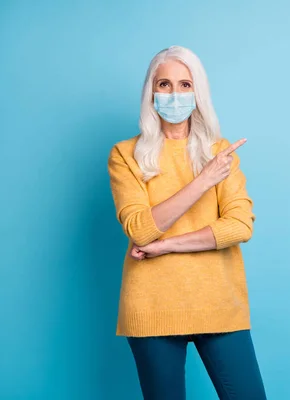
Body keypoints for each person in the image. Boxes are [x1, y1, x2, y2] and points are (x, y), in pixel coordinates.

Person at [107, 45, 267, 399]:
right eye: (164, 84)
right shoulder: (125, 155)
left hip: (219, 303)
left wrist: (166, 245)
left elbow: (240, 225)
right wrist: (202, 182)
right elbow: (139, 229)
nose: (174, 94)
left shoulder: (220, 152)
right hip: (152, 305)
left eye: (184, 84)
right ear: (151, 91)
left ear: (198, 92)